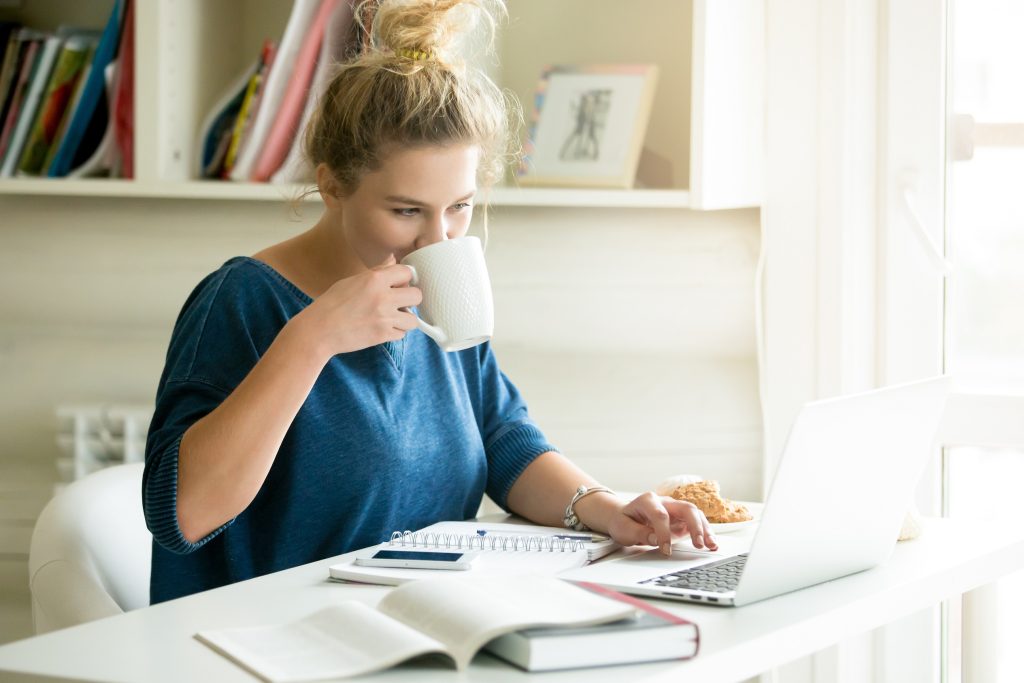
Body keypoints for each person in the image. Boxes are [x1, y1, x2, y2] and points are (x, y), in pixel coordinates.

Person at [142, 0, 717, 605]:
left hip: (415, 624)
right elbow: (182, 515)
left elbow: (501, 437)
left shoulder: (435, 292)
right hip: (264, 642)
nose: (436, 240)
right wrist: (313, 339)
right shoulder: (242, 300)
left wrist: (603, 506)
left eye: (459, 207)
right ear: (333, 184)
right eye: (406, 210)